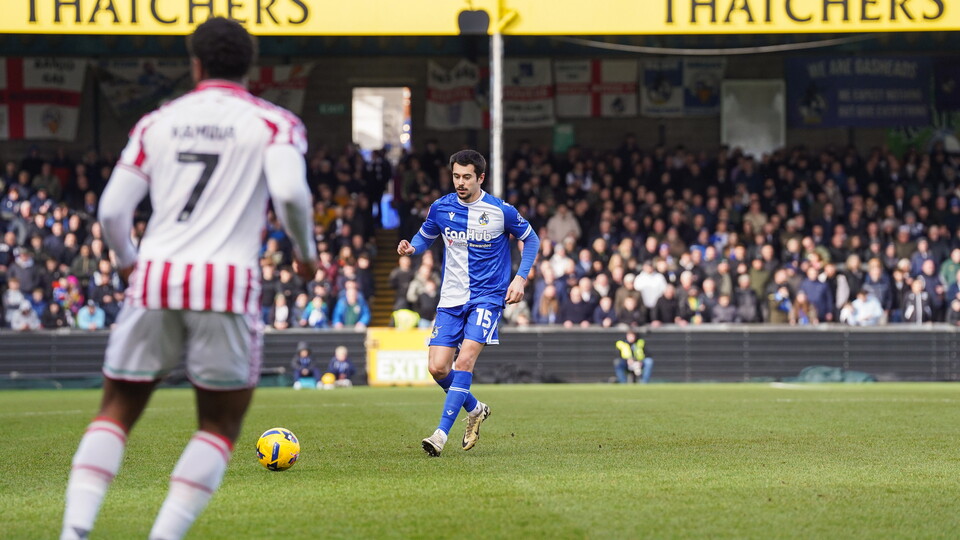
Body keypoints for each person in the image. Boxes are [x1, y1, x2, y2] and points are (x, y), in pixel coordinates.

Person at [60, 18, 316, 540]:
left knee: (116, 411)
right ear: (250, 68)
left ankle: (75, 531)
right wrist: (305, 255)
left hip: (155, 276)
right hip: (225, 284)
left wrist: (131, 262)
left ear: (195, 64)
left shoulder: (157, 122)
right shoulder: (274, 123)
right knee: (218, 427)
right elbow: (290, 194)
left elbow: (112, 211)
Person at [397, 149, 540, 457]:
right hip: (451, 298)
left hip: (487, 298)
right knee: (437, 368)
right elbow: (425, 237)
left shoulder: (500, 211)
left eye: (466, 177)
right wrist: (411, 248)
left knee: (464, 363)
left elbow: (532, 239)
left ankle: (439, 435)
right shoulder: (441, 207)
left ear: (480, 178)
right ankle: (475, 408)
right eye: (456, 176)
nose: (460, 183)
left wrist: (520, 278)